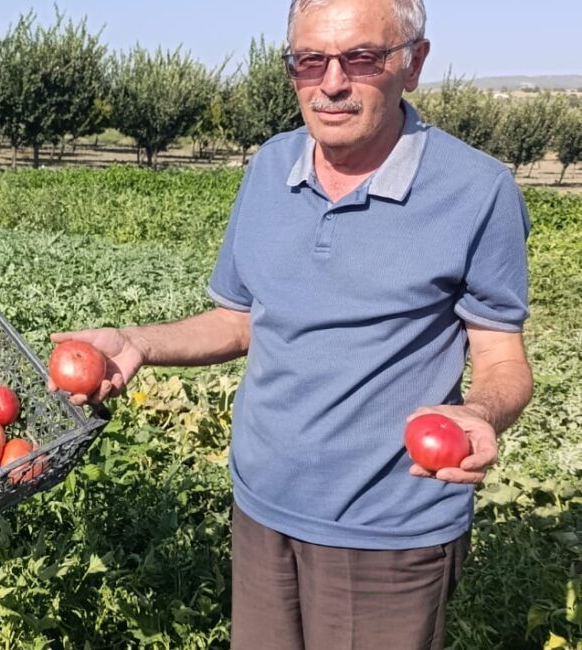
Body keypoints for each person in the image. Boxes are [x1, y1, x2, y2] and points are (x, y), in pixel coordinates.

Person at [52, 0, 533, 648]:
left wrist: (482, 412)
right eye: (309, 61)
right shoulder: (270, 168)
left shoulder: (477, 190)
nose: (331, 82)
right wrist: (136, 342)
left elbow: (503, 361)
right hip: (261, 508)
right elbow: (239, 319)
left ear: (412, 64)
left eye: (360, 57)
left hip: (387, 531)